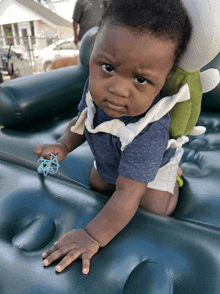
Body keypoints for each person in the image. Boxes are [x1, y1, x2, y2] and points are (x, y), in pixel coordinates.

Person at [34, 0, 192, 275]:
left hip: (148, 170)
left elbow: (129, 194)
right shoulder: (95, 91)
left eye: (140, 80)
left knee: (153, 206)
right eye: (107, 67)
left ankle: (173, 175)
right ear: (93, 50)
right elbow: (83, 121)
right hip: (114, 159)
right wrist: (63, 144)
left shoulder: (149, 130)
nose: (117, 89)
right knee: (98, 182)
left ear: (165, 79)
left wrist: (92, 236)